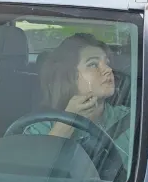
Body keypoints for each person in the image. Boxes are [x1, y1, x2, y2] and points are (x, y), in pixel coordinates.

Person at [24, 33, 130, 171]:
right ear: (70, 77)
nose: (108, 70)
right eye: (93, 64)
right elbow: (32, 174)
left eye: (107, 63)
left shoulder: (130, 120)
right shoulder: (41, 128)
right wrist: (68, 122)